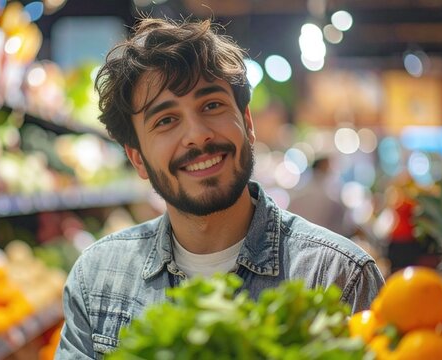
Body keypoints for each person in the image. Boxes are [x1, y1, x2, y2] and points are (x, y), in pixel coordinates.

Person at [55, 17, 385, 359]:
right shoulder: (97, 278)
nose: (197, 135)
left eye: (211, 105)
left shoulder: (338, 276)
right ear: (137, 158)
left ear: (248, 123)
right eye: (166, 120)